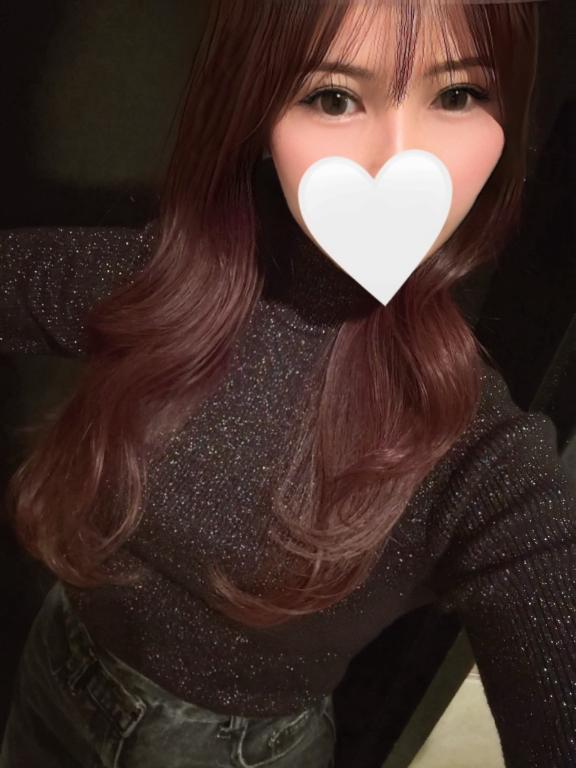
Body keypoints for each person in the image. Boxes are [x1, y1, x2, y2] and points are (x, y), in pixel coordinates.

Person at [1, 0, 574, 766]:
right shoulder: (157, 286)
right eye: (334, 97)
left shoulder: (481, 452)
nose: (400, 161)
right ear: (258, 117)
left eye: (457, 94)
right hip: (56, 667)